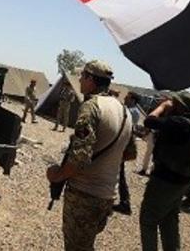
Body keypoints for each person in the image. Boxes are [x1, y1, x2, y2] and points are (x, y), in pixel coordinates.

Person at [46, 60, 132, 251]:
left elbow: (80, 157)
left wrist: (57, 175)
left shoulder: (91, 107)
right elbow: (130, 153)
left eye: (82, 75)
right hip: (107, 196)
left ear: (91, 79)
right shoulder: (124, 111)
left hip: (84, 195)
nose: (79, 79)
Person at [139, 92, 190, 251]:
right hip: (181, 180)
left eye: (173, 102)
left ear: (179, 106)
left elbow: (149, 121)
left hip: (165, 179)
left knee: (149, 219)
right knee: (169, 220)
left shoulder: (178, 122)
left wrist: (162, 106)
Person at [112, 91, 143, 215]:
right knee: (119, 172)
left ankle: (125, 203)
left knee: (119, 173)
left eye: (128, 97)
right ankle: (124, 202)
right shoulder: (131, 110)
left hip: (123, 145)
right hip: (123, 144)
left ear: (133, 100)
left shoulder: (132, 112)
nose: (125, 98)